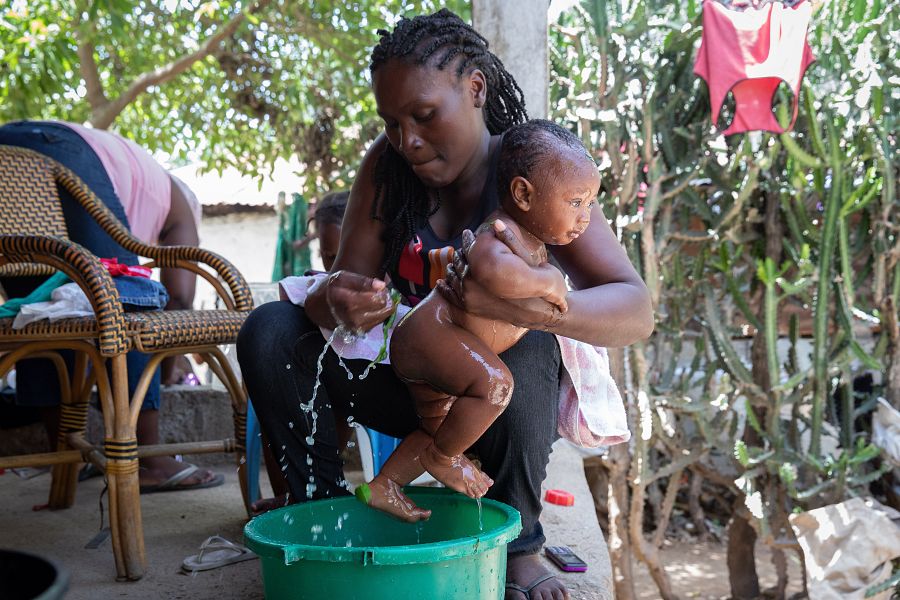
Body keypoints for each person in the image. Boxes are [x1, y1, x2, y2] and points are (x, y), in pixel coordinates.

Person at [236, 10, 653, 600]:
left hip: (494, 403)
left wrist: (536, 311)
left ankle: (516, 544)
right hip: (408, 382)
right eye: (392, 122)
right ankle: (322, 514)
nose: (407, 139)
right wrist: (340, 299)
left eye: (425, 115)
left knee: (530, 341)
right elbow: (341, 286)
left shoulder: (534, 172)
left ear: (476, 88)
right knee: (271, 329)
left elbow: (635, 309)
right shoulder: (387, 168)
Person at [357, 120, 599, 523]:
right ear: (523, 194)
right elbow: (493, 272)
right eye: (576, 202)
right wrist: (550, 280)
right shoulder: (500, 234)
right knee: (496, 386)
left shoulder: (531, 242)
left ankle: (385, 485)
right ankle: (444, 459)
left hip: (441, 346)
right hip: (432, 334)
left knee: (441, 429)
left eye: (590, 204)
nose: (586, 217)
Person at [0, 119, 222, 493]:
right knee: (129, 297)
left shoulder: (136, 180)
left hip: (9, 147)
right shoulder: (181, 202)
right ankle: (149, 459)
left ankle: (66, 460)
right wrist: (163, 369)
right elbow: (180, 297)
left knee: (37, 313)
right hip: (60, 148)